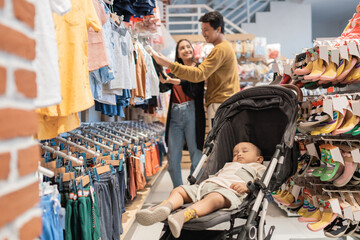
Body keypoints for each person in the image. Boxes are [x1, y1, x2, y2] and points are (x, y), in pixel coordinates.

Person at [135, 142, 266, 238]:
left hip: (228, 191)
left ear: (259, 159)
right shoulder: (228, 165)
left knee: (214, 198)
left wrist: (248, 187)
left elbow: (263, 183)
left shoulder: (258, 168)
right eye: (235, 153)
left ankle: (182, 216)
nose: (239, 154)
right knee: (179, 190)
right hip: (206, 185)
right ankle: (165, 207)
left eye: (244, 151)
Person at [152, 11, 240, 130]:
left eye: (206, 30)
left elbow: (199, 74)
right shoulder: (224, 48)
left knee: (220, 143)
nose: (203, 34)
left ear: (218, 29)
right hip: (222, 103)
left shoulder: (220, 49)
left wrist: (168, 64)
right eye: (202, 30)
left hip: (220, 103)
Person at [159, 39, 205, 188]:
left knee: (196, 157)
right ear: (178, 53)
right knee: (172, 160)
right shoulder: (175, 70)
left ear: (192, 49)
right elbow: (163, 88)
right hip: (174, 114)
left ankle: (192, 190)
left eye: (188, 46)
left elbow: (194, 90)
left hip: (193, 113)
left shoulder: (199, 69)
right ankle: (178, 191)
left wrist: (176, 81)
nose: (186, 50)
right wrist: (161, 73)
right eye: (182, 48)